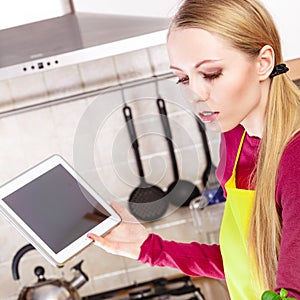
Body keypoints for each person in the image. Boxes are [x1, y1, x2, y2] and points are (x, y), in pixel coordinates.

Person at [87, 0, 300, 299]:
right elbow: (250, 263)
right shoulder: (235, 137)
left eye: (211, 74)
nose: (195, 94)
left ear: (263, 62)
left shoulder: (295, 160)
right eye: (184, 78)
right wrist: (148, 248)